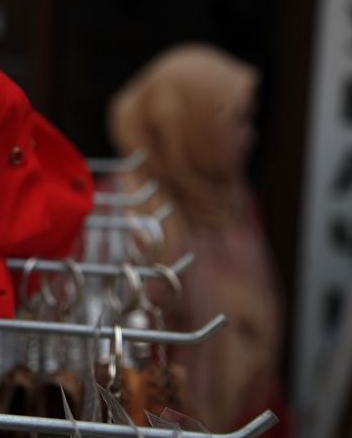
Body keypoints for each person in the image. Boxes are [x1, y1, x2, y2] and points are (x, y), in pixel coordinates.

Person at [107, 43, 287, 433]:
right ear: (183, 124)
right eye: (237, 122)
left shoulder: (235, 206)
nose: (249, 137)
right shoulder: (127, 217)